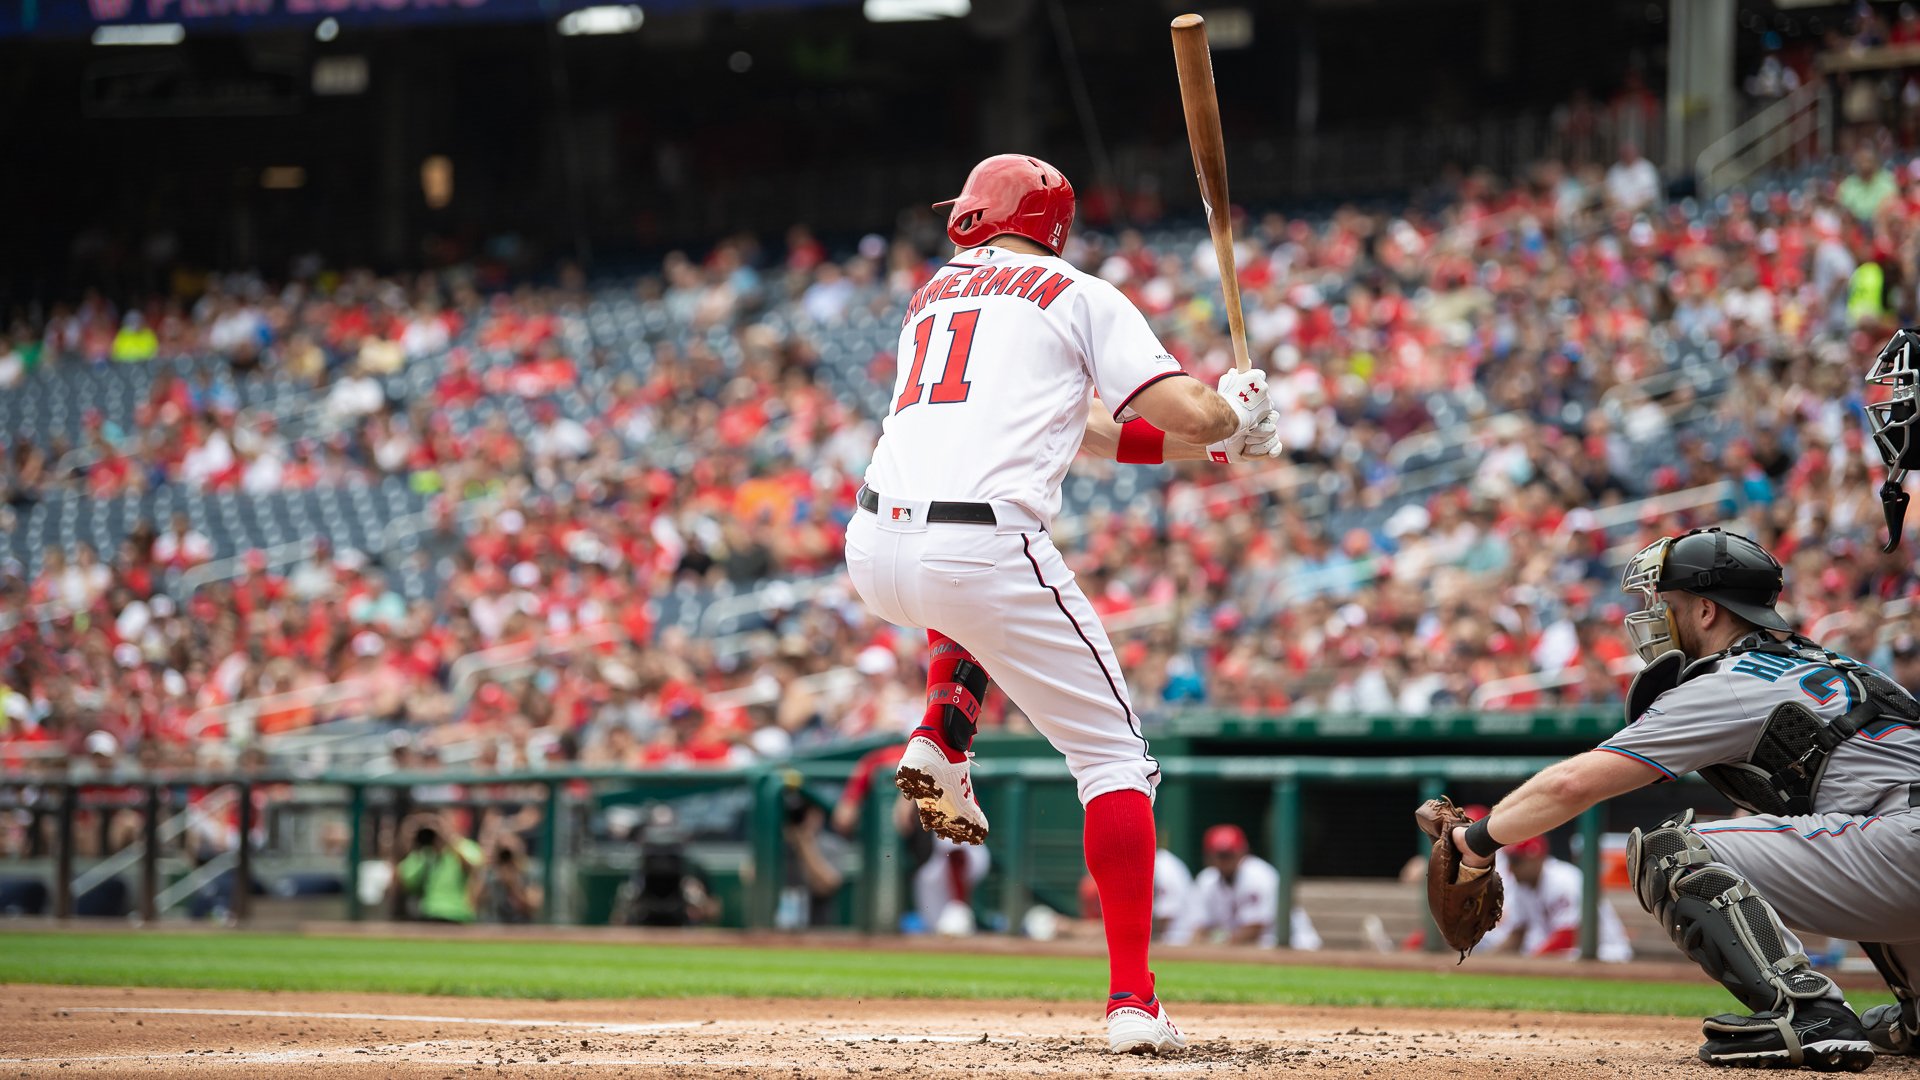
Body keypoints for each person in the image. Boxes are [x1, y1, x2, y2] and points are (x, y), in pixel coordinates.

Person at [845, 153, 1282, 1056]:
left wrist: (1214, 444)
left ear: (976, 213)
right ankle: (1132, 1002)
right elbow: (1182, 408)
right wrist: (1229, 416)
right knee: (1115, 759)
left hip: (875, 546)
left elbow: (1080, 426)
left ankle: (942, 730)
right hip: (979, 549)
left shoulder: (933, 296)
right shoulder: (1078, 292)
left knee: (965, 593)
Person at [1428, 527, 1919, 1071]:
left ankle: (1808, 1012)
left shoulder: (1733, 677)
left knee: (1672, 851)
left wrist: (1475, 839)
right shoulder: (1839, 666)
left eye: (1667, 602)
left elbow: (1574, 783)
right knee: (1848, 832)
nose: (1656, 616)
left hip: (1904, 845)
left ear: (1706, 611)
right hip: (1897, 848)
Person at [1160, 824, 1321, 951]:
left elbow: (1255, 927)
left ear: (1243, 852)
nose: (1224, 860)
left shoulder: (1258, 875)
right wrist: (1196, 949)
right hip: (1250, 948)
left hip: (1293, 945)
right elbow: (1199, 926)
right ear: (1209, 857)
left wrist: (1217, 946)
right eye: (1220, 855)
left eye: (1229, 855)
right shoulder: (1207, 880)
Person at [1477, 836, 1633, 963]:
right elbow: (1517, 934)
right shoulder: (1523, 886)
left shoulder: (1563, 879)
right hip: (1562, 955)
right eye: (1510, 861)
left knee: (1556, 956)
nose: (1510, 868)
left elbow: (1569, 935)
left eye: (1516, 861)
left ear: (1536, 857)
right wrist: (1487, 961)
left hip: (1606, 952)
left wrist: (1531, 961)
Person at [392, 811, 483, 924]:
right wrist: (408, 840)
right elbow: (402, 879)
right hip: (430, 913)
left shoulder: (466, 846)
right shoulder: (427, 853)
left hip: (458, 914)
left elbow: (473, 868)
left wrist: (448, 840)